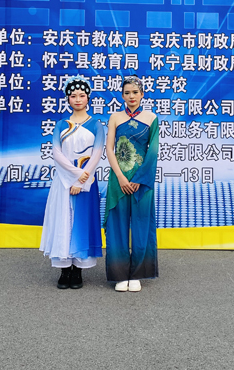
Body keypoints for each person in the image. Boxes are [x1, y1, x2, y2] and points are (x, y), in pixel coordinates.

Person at [39, 75, 105, 289]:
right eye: (73, 96)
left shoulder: (96, 125)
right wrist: (75, 176)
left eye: (82, 95)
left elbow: (97, 153)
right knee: (63, 221)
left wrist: (83, 180)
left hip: (87, 182)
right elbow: (57, 153)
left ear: (88, 98)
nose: (77, 99)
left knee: (81, 222)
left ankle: (78, 270)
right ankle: (64, 269)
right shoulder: (61, 124)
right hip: (63, 181)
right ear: (68, 99)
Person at [104, 74, 159, 292]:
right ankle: (119, 274)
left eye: (135, 92)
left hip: (141, 182)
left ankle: (137, 274)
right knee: (116, 226)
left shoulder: (151, 118)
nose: (131, 96)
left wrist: (139, 179)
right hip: (118, 179)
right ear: (122, 95)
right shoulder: (115, 117)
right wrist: (120, 176)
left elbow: (152, 152)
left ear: (142, 94)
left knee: (142, 224)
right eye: (127, 93)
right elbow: (109, 148)